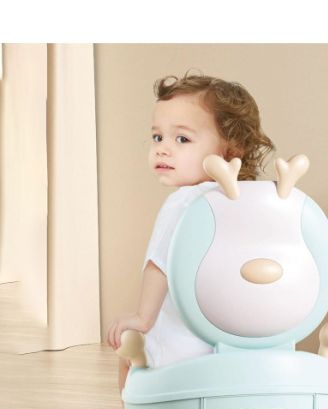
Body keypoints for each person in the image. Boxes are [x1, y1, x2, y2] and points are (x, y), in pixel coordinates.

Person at [107, 73, 274, 391]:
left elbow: (160, 263)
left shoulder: (184, 202)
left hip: (178, 344)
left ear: (229, 149)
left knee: (128, 354)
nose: (163, 149)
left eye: (182, 139)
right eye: (158, 137)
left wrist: (143, 318)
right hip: (230, 342)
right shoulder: (243, 201)